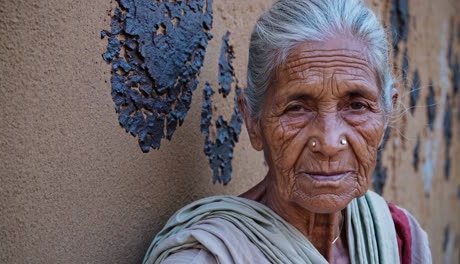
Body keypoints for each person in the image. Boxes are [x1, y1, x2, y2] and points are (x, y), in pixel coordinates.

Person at [143, 0, 431, 263]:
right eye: (296, 108)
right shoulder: (207, 258)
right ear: (253, 121)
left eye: (356, 106)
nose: (329, 143)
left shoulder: (399, 239)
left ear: (387, 112)